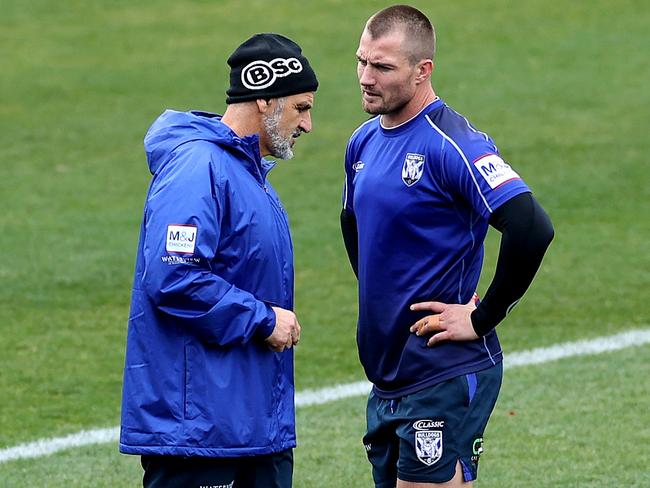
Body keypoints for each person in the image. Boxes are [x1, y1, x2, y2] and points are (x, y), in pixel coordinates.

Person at [340, 5, 554, 487]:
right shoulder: (362, 143)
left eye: (382, 67)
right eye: (361, 61)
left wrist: (481, 318)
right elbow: (355, 230)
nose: (365, 78)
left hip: (441, 371)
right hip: (388, 373)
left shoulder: (453, 143)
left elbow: (531, 227)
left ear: (423, 71)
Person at [119, 33, 318, 488]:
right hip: (201, 433)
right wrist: (263, 319)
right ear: (264, 98)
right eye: (301, 108)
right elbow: (174, 274)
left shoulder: (245, 174)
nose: (307, 125)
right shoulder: (198, 168)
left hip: (250, 427)